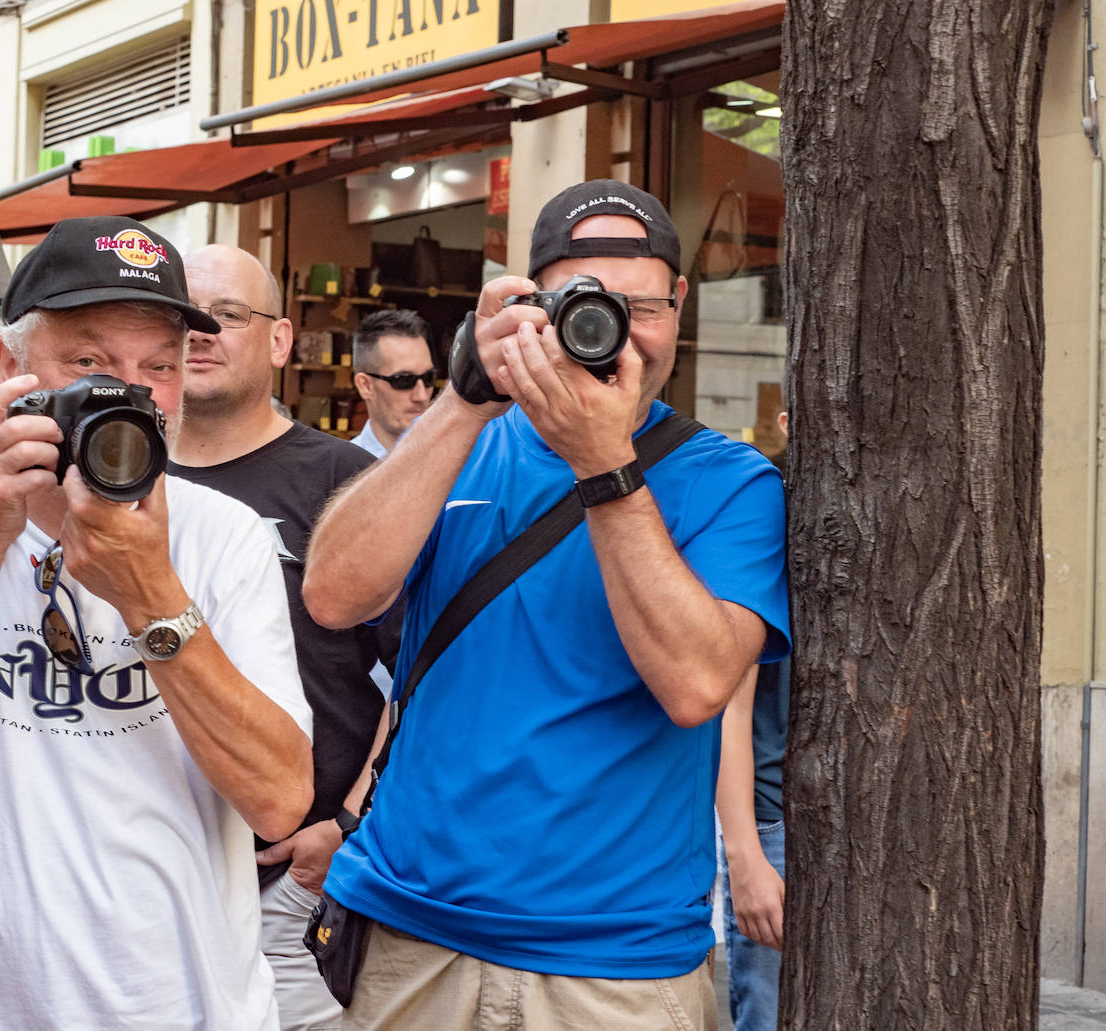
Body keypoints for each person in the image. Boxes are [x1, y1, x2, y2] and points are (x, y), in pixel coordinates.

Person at [302, 179, 789, 1029]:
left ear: (678, 304)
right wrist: (462, 397)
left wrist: (605, 464)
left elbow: (698, 684)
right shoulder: (465, 440)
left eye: (638, 305)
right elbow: (335, 595)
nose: (610, 332)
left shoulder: (733, 481)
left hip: (616, 966)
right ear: (528, 304)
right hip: (411, 934)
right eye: (579, 302)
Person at [0, 216, 314, 1031]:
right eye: (90, 363)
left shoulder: (224, 538)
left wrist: (150, 593)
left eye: (158, 366)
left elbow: (280, 799)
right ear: (12, 367)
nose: (130, 393)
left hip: (190, 1010)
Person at [168, 244, 398, 1031]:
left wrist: (349, 827)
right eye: (184, 316)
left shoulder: (344, 481)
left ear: (279, 340)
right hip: (135, 869)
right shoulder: (107, 467)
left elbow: (425, 669)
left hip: (288, 891)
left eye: (226, 316)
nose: (200, 333)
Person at [716, 408, 790, 1031]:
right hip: (774, 823)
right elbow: (729, 706)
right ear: (787, 425)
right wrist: (745, 855)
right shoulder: (764, 525)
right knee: (765, 1016)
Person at [350, 309, 435, 458]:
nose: (421, 396)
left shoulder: (459, 463)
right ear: (365, 385)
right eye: (404, 380)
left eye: (428, 378)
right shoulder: (341, 471)